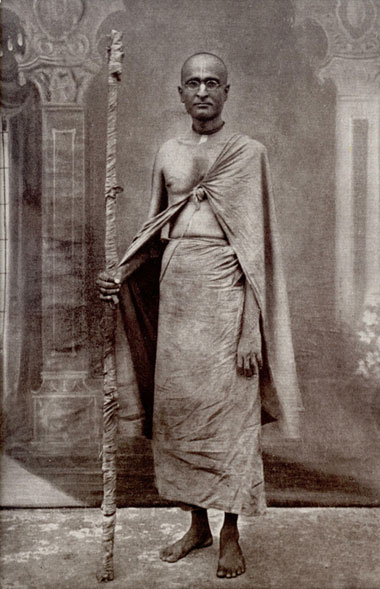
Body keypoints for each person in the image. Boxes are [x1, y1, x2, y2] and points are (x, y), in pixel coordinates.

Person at [97, 52, 301, 579]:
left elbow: (256, 252)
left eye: (213, 82)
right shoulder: (168, 152)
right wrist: (119, 273)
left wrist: (251, 328)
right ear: (181, 92)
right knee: (181, 417)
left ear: (227, 91)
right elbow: (153, 231)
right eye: (193, 83)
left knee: (230, 421)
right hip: (178, 301)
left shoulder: (249, 154)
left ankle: (230, 531)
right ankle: (197, 526)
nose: (203, 91)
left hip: (227, 297)